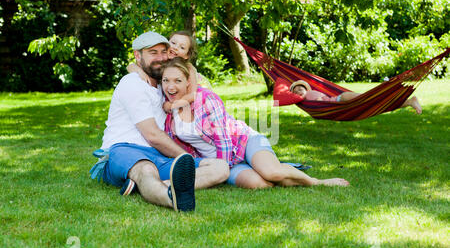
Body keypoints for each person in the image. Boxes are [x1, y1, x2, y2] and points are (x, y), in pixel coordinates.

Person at [89, 31, 229, 212]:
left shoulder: (164, 85)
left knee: (220, 168)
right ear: (138, 55)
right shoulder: (132, 83)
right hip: (124, 150)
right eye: (153, 53)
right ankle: (172, 198)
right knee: (146, 170)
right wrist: (185, 158)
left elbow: (189, 79)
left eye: (164, 51)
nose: (161, 57)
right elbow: (153, 135)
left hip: (159, 156)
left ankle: (144, 186)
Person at [161, 57, 350, 189]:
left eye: (177, 80)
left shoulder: (206, 99)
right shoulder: (169, 112)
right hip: (226, 163)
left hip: (243, 142)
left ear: (188, 82)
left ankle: (316, 181)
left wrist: (220, 171)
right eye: (166, 80)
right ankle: (266, 168)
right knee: (260, 184)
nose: (171, 86)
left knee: (272, 173)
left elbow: (224, 139)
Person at [127, 31, 212, 114]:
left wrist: (171, 105)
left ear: (187, 55)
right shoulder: (164, 64)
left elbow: (193, 95)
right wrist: (137, 70)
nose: (175, 48)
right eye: (173, 43)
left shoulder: (188, 67)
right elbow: (130, 66)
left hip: (195, 106)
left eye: (182, 47)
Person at [289, 80, 422, 114]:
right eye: (296, 91)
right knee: (377, 105)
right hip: (340, 106)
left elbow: (319, 101)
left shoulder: (310, 95)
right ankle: (409, 101)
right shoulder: (304, 100)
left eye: (301, 89)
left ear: (306, 88)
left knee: (369, 100)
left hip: (341, 100)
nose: (299, 92)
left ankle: (373, 96)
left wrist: (318, 104)